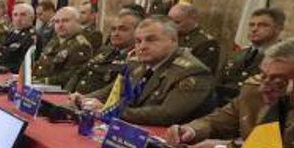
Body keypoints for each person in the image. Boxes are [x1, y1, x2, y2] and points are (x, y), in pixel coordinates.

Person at [166, 38, 294, 148]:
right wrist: (190, 130)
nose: (263, 88)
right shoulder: (252, 90)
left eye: (279, 82)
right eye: (263, 76)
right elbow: (217, 121)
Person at [78, 16, 213, 125]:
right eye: (138, 41)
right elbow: (112, 90)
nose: (142, 47)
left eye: (151, 40)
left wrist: (109, 110)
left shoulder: (192, 72)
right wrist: (85, 99)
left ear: (173, 40)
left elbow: (165, 114)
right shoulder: (138, 64)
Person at [217, 7, 286, 102]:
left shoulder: (283, 58)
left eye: (263, 25)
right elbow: (220, 82)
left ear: (279, 28)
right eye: (251, 25)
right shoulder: (239, 54)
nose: (254, 29)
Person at [65, 11, 140, 94]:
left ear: (137, 32)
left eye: (123, 29)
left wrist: (84, 99)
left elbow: (115, 89)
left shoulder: (136, 59)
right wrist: (66, 93)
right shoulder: (105, 51)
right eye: (113, 29)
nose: (115, 33)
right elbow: (79, 73)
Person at [31, 6, 94, 86]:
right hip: (39, 85)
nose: (60, 25)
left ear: (78, 22)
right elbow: (41, 64)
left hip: (56, 90)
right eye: (57, 22)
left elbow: (69, 76)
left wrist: (39, 81)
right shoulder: (55, 41)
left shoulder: (80, 46)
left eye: (65, 21)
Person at [168, 2, 220, 73]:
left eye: (177, 22)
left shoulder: (206, 43)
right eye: (170, 22)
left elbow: (202, 72)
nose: (172, 26)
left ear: (192, 19)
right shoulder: (168, 36)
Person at [0, 3, 37, 72]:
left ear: (32, 17)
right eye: (15, 15)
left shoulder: (32, 37)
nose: (18, 19)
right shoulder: (12, 33)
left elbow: (26, 65)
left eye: (23, 15)